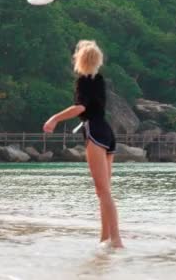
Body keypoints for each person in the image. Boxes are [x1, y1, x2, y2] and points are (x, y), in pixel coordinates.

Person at [43, 40, 123, 248]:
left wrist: (54, 118)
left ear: (80, 59)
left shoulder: (83, 81)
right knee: (103, 191)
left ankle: (116, 240)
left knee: (103, 190)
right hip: (107, 131)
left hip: (94, 130)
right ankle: (105, 239)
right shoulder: (99, 79)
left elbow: (80, 108)